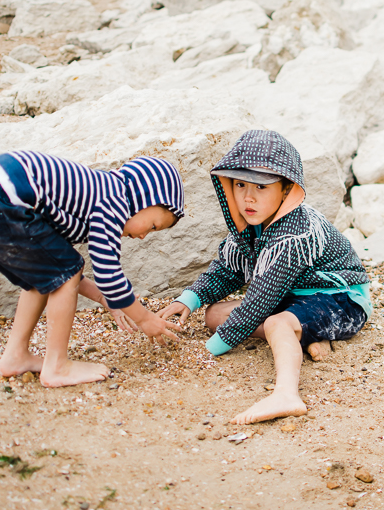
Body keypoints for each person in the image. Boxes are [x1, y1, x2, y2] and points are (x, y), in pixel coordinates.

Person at [157, 130, 372, 424]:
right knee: (214, 316)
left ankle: (286, 393)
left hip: (339, 298)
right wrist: (188, 300)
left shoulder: (294, 233)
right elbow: (228, 269)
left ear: (286, 190)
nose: (248, 197)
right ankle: (303, 337)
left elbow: (258, 302)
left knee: (274, 321)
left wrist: (207, 353)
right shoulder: (250, 226)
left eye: (261, 187)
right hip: (291, 294)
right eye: (240, 184)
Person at [0, 150, 184, 388]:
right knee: (64, 273)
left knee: (45, 274)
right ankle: (57, 366)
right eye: (153, 225)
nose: (144, 236)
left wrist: (107, 299)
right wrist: (144, 318)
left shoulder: (86, 199)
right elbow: (108, 275)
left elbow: (58, 269)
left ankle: (15, 356)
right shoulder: (115, 200)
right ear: (144, 197)